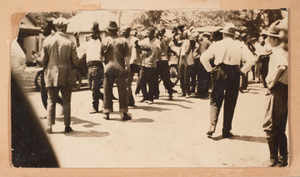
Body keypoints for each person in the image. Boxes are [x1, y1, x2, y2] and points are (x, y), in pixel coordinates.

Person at [200, 23, 255, 138]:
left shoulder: (217, 44)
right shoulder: (240, 45)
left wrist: (210, 70)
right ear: (234, 35)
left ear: (224, 34)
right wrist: (243, 70)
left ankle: (212, 126)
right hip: (234, 73)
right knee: (230, 101)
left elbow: (203, 58)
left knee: (215, 99)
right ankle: (226, 131)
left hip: (220, 71)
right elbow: (251, 60)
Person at [41, 17, 80, 133]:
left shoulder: (47, 41)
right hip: (67, 74)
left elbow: (43, 60)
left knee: (51, 100)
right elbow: (76, 61)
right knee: (67, 100)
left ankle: (49, 126)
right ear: (65, 27)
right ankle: (67, 125)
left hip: (51, 74)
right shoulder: (70, 42)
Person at [262, 19, 288, 167]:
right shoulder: (287, 50)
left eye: (268, 37)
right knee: (280, 127)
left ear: (273, 38)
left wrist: (272, 82)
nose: (267, 39)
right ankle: (283, 158)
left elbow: (282, 66)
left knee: (270, 126)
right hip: (285, 89)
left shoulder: (278, 52)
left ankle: (274, 159)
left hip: (277, 90)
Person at [100, 21, 131, 120]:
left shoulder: (104, 41)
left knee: (107, 89)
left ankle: (107, 112)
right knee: (122, 90)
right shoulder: (123, 41)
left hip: (108, 67)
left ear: (109, 31)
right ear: (117, 30)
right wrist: (128, 67)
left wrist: (104, 67)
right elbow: (126, 57)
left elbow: (101, 57)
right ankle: (123, 112)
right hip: (120, 67)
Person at [75, 22, 104, 113]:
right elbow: (80, 49)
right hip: (89, 67)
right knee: (92, 87)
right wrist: (77, 38)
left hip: (98, 66)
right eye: (90, 32)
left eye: (93, 32)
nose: (91, 34)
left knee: (95, 87)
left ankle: (95, 107)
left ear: (97, 33)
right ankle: (105, 98)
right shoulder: (89, 43)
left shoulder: (101, 43)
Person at [137, 27, 160, 104]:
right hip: (143, 63)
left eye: (149, 33)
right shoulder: (145, 40)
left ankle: (150, 98)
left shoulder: (157, 41)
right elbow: (139, 45)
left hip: (151, 64)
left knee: (151, 82)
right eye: (147, 32)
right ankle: (145, 96)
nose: (147, 34)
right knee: (142, 80)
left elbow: (159, 50)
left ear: (153, 33)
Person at [155, 27, 175, 100]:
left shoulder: (165, 40)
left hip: (163, 60)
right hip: (156, 60)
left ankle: (170, 92)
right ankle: (156, 93)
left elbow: (170, 38)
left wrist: (163, 36)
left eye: (160, 32)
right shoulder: (155, 40)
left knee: (165, 78)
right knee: (155, 78)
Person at [178, 30, 198, 98]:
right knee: (181, 76)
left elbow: (187, 51)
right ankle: (183, 91)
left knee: (186, 76)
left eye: (184, 34)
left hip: (187, 59)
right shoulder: (184, 42)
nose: (183, 35)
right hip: (182, 59)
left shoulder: (190, 41)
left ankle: (187, 92)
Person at [123, 26, 139, 106]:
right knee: (126, 83)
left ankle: (128, 101)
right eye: (122, 30)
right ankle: (131, 101)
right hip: (123, 63)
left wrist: (131, 63)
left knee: (127, 82)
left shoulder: (134, 40)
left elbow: (135, 52)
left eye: (125, 30)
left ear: (129, 31)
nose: (123, 32)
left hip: (130, 63)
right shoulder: (122, 40)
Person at [197, 32, 212, 98]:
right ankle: (204, 92)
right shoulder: (208, 42)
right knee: (206, 77)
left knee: (200, 76)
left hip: (201, 60)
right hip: (206, 60)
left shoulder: (201, 42)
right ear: (208, 36)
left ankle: (199, 91)